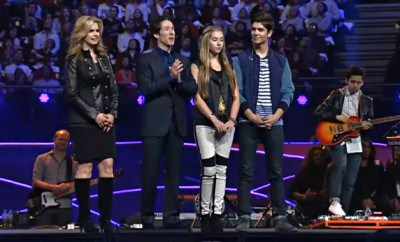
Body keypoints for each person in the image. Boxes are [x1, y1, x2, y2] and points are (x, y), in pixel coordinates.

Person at [232, 12, 297, 233]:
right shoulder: (240, 60)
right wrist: (250, 115)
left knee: (276, 172)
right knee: (246, 171)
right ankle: (243, 217)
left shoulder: (281, 60)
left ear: (269, 33)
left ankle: (280, 216)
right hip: (248, 122)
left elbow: (288, 91)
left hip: (274, 123)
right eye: (253, 29)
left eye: (260, 30)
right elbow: (237, 91)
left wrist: (276, 115)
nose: (255, 33)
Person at [137, 16, 198, 229]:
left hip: (177, 122)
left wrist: (180, 80)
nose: (172, 32)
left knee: (174, 172)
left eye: (173, 29)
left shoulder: (184, 60)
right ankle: (147, 217)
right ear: (156, 35)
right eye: (167, 29)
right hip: (155, 123)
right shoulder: (146, 59)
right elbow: (146, 89)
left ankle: (171, 216)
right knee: (151, 172)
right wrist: (171, 78)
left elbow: (192, 89)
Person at [66, 15, 119, 233]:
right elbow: (72, 93)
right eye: (91, 31)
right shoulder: (73, 59)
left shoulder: (104, 57)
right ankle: (86, 220)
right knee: (86, 168)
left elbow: (114, 89)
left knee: (107, 167)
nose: (95, 34)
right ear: (82, 33)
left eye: (98, 30)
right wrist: (95, 115)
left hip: (106, 121)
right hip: (84, 121)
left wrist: (112, 114)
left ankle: (106, 220)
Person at [190, 26, 240, 234]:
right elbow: (197, 97)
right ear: (206, 42)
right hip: (205, 123)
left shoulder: (229, 67)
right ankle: (204, 214)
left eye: (221, 40)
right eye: (215, 40)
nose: (219, 43)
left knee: (222, 170)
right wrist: (213, 119)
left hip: (227, 124)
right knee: (209, 170)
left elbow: (236, 97)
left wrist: (231, 119)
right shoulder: (197, 67)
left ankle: (218, 214)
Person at [314, 66, 374, 216]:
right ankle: (334, 201)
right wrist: (336, 117)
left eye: (358, 82)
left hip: (356, 140)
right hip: (337, 137)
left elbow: (369, 121)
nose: (355, 85)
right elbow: (318, 112)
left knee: (350, 181)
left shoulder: (367, 101)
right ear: (346, 81)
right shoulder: (336, 95)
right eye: (352, 81)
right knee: (341, 165)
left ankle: (343, 214)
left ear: (362, 83)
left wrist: (367, 126)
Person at [31, 130, 77, 226]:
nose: (63, 142)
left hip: (65, 207)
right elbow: (36, 181)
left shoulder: (73, 162)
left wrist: (68, 185)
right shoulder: (42, 159)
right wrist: (53, 187)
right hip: (44, 206)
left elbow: (78, 183)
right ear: (54, 140)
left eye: (66, 140)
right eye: (60, 139)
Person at [290, 146, 330, 219]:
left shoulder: (329, 173)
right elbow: (293, 192)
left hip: (326, 208)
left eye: (321, 155)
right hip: (307, 209)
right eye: (316, 155)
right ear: (311, 157)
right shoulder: (303, 174)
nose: (318, 157)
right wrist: (304, 197)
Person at [349, 140, 384, 215]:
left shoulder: (377, 167)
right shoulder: (351, 168)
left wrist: (372, 200)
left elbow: (381, 186)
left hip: (373, 201)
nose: (366, 150)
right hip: (355, 202)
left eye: (368, 147)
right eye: (363, 147)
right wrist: (361, 202)